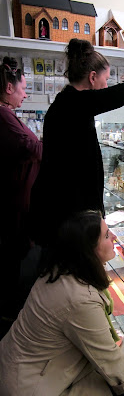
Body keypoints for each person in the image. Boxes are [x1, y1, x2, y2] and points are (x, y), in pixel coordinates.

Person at [0, 210, 124, 395]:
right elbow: (108, 357)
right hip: (29, 386)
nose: (114, 237)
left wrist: (102, 340)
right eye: (107, 235)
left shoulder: (59, 270)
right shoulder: (80, 298)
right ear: (90, 250)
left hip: (15, 365)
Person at [30, 38, 124, 247]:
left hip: (58, 211)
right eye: (105, 79)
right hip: (64, 217)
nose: (106, 85)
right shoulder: (75, 103)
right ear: (92, 77)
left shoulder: (67, 102)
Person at [0, 57, 42, 321]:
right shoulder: (3, 116)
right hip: (13, 205)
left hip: (16, 203)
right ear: (8, 88)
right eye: (23, 89)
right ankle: (9, 315)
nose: (26, 94)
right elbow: (32, 147)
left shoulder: (7, 114)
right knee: (12, 264)